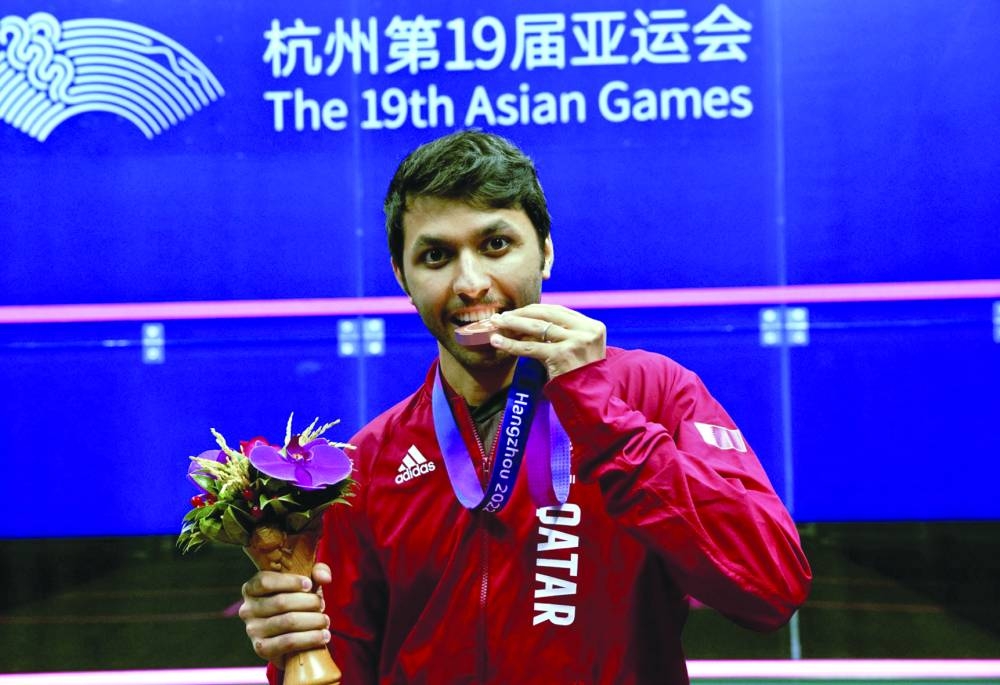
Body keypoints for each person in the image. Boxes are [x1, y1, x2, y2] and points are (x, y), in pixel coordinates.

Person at [238, 130, 812, 684]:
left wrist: (598, 413)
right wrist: (293, 645)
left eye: (495, 245)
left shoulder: (652, 394)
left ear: (544, 252)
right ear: (403, 278)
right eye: (436, 256)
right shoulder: (369, 461)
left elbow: (770, 589)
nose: (470, 283)